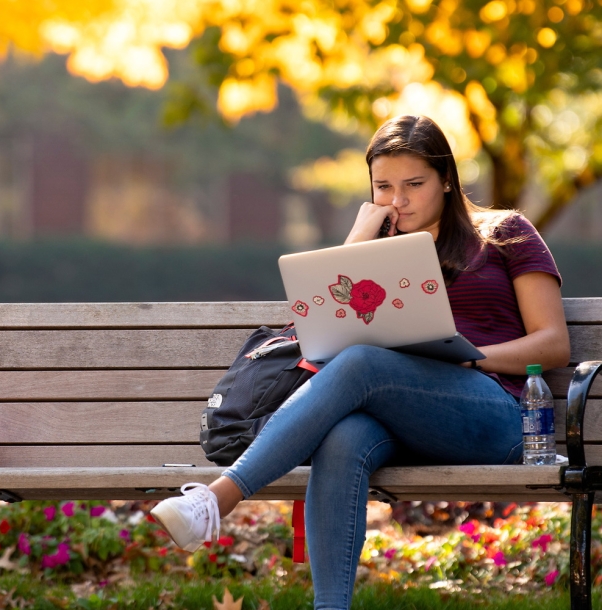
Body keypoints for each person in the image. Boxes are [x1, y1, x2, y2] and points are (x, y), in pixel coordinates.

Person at [149, 115, 570, 610]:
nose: (399, 200)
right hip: (403, 419)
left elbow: (553, 344)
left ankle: (216, 500)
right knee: (345, 434)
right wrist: (359, 239)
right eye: (384, 187)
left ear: (447, 179)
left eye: (415, 185)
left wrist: (472, 363)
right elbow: (325, 332)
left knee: (364, 362)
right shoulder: (379, 245)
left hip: (495, 416)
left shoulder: (506, 232)